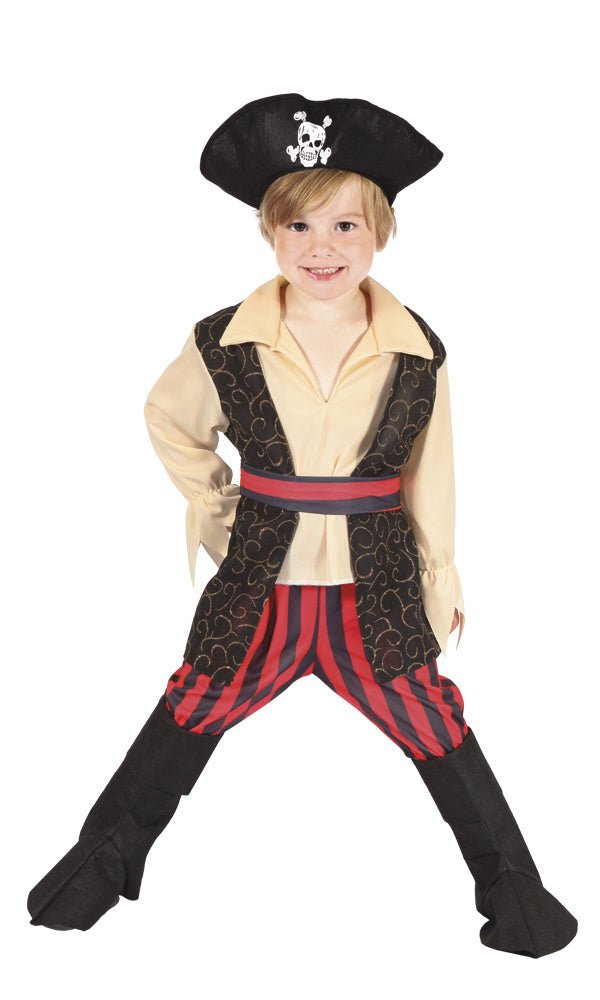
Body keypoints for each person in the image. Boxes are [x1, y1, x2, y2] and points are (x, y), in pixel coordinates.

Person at [27, 93, 577, 957]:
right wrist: (219, 509)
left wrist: (440, 574)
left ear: (380, 231)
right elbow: (169, 419)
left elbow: (432, 471)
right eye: (300, 227)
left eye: (345, 226)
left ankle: (516, 895)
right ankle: (96, 869)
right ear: (270, 233)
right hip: (263, 585)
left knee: (435, 724)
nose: (323, 248)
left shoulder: (417, 348)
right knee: (192, 704)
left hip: (375, 590)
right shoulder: (223, 340)